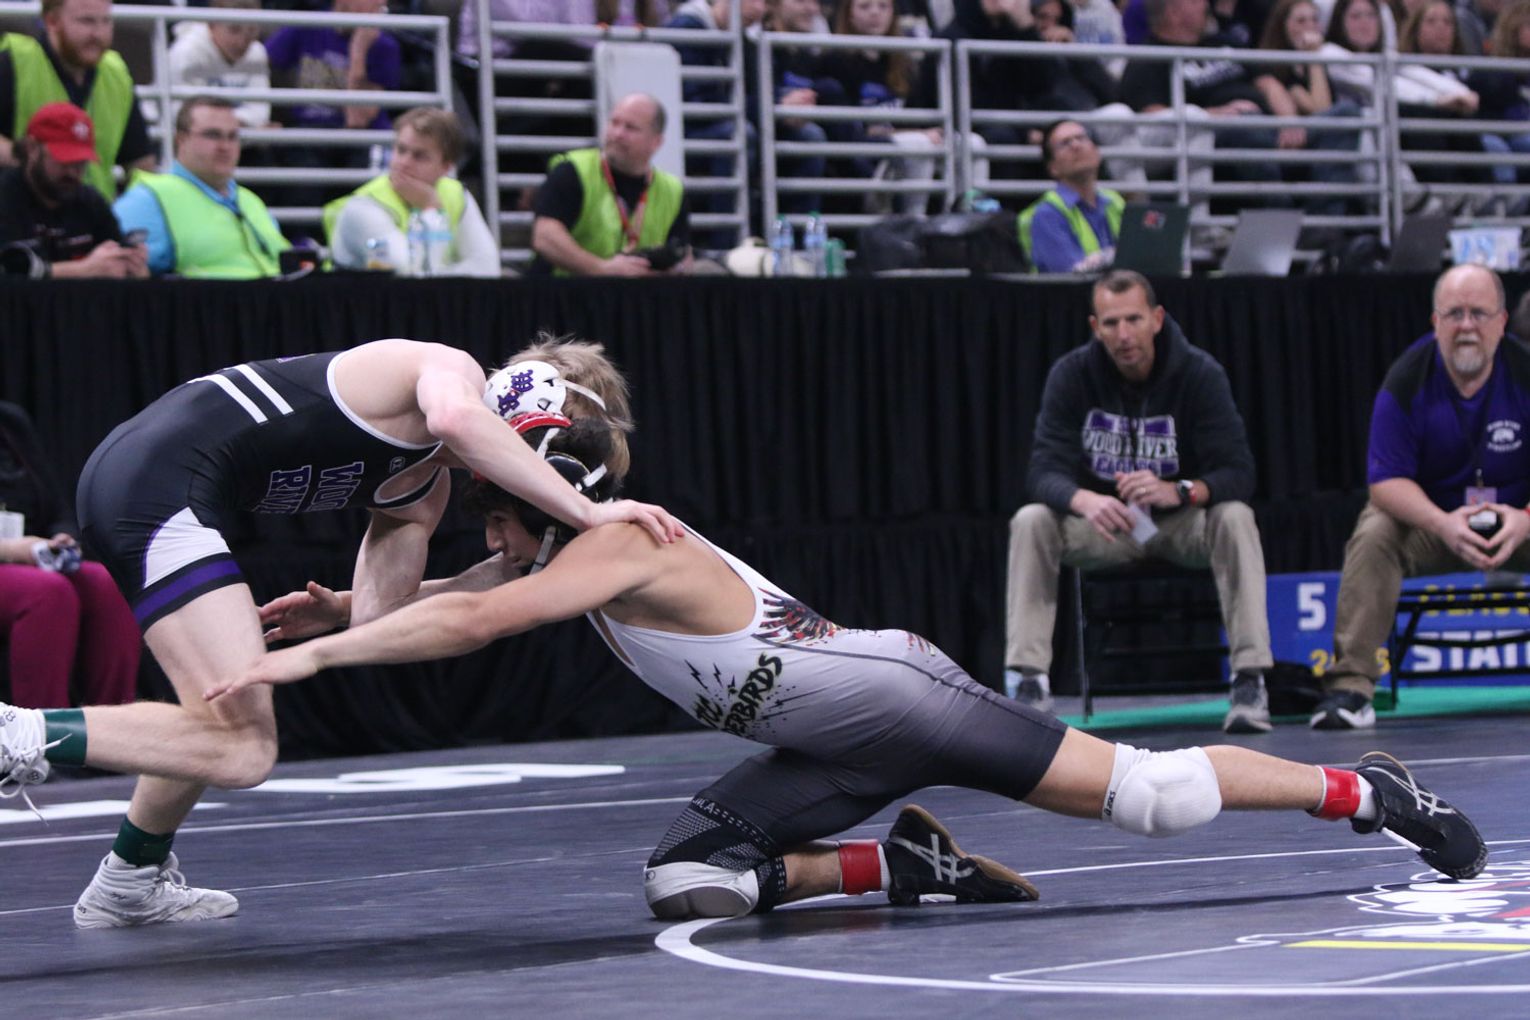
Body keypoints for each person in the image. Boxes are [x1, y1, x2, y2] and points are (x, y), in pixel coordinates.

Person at [199, 339, 1486, 922]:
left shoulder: (620, 545)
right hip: (827, 741)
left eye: (497, 494)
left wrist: (312, 655)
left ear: (551, 476)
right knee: (689, 883)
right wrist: (352, 605)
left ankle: (1366, 792)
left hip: (897, 698)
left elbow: (483, 617)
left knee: (1151, 798)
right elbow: (479, 589)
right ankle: (904, 867)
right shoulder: (578, 544)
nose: (489, 518)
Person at [0, 337, 681, 929]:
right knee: (242, 748)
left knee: (218, 708)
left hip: (154, 485)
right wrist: (588, 514)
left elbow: (382, 627)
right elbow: (459, 419)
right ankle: (18, 734)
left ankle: (129, 880)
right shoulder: (448, 372)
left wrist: (345, 611)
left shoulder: (419, 490)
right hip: (157, 484)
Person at [1004, 270, 1275, 734]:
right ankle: (1030, 682)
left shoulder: (1199, 373)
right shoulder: (1072, 375)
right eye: (1111, 323)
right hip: (1106, 528)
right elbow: (1042, 471)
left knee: (1235, 516)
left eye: (1133, 319)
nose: (1124, 334)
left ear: (1157, 318)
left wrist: (1181, 490)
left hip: (1181, 523)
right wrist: (1083, 499)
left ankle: (1250, 680)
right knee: (1031, 520)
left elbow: (1239, 472)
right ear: (1095, 327)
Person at [1313, 265, 1530, 730]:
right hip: (1435, 526)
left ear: (1501, 321)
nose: (1466, 326)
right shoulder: (1406, 379)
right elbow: (1385, 481)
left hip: (1518, 524)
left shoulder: (1525, 373)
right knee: (1375, 531)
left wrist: (1526, 519)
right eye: (1454, 314)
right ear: (1435, 322)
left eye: (1478, 314)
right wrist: (1442, 523)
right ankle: (1351, 687)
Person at [0, 400, 139, 710]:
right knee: (47, 593)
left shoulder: (10, 421)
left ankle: (114, 722)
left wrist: (62, 538)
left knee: (107, 584)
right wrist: (10, 549)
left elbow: (56, 508)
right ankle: (45, 730)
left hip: (30, 557)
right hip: (16, 561)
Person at [112, 97, 289, 278]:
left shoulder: (250, 200)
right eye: (212, 135)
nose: (225, 146)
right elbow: (122, 277)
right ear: (181, 139)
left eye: (233, 136)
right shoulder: (147, 199)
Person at [0, 0, 157, 199]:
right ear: (51, 21)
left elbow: (140, 163)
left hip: (94, 210)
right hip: (22, 208)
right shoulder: (15, 61)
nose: (98, 33)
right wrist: (29, 163)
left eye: (106, 21)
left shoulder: (116, 74)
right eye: (86, 21)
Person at [530, 93, 692, 277]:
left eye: (630, 128)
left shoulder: (673, 191)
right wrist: (601, 268)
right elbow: (545, 237)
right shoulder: (573, 170)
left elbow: (683, 255)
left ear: (656, 142)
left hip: (637, 293)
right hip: (563, 291)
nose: (617, 134)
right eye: (614, 123)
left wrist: (669, 268)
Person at [324, 107, 499, 277]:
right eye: (401, 150)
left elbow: (488, 269)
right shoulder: (363, 208)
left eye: (419, 156)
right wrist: (431, 209)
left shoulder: (457, 195)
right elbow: (410, 279)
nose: (404, 163)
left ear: (446, 167)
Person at [0, 102, 146, 278]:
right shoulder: (6, 198)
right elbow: (9, 272)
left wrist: (132, 265)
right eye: (63, 161)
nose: (72, 172)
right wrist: (83, 269)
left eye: (80, 163)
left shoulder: (90, 202)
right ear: (32, 149)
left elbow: (120, 257)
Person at [1016, 119, 1123, 274]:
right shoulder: (1046, 214)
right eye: (1065, 143)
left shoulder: (1114, 201)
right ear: (1053, 168)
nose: (1076, 145)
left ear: (1097, 153)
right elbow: (1070, 278)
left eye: (1081, 138)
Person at [165, 0, 273, 130]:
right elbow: (185, 117)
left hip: (236, 136)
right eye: (234, 30)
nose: (241, 41)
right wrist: (244, 123)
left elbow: (260, 114)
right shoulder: (187, 51)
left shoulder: (257, 52)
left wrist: (225, 123)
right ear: (212, 25)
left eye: (251, 30)